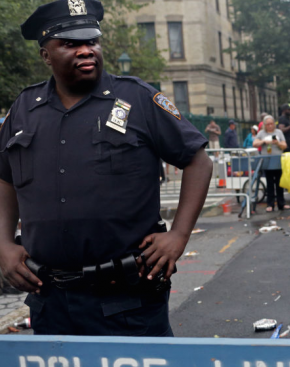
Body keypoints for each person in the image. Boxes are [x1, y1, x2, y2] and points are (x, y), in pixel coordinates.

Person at [0, 0, 212, 336]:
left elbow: (198, 160)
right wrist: (4, 244)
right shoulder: (25, 108)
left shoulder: (138, 99)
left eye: (92, 42)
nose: (86, 51)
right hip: (50, 300)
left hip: (127, 298)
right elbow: (5, 179)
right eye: (71, 44)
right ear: (46, 55)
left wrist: (178, 235)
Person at [253, 115, 290, 211]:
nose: (270, 126)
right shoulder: (261, 133)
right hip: (267, 161)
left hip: (278, 161)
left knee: (280, 183)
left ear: (274, 124)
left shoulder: (278, 132)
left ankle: (281, 203)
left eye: (271, 124)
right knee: (270, 183)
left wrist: (277, 143)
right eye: (268, 124)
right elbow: (254, 143)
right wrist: (264, 141)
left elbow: (285, 145)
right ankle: (270, 204)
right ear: (265, 125)